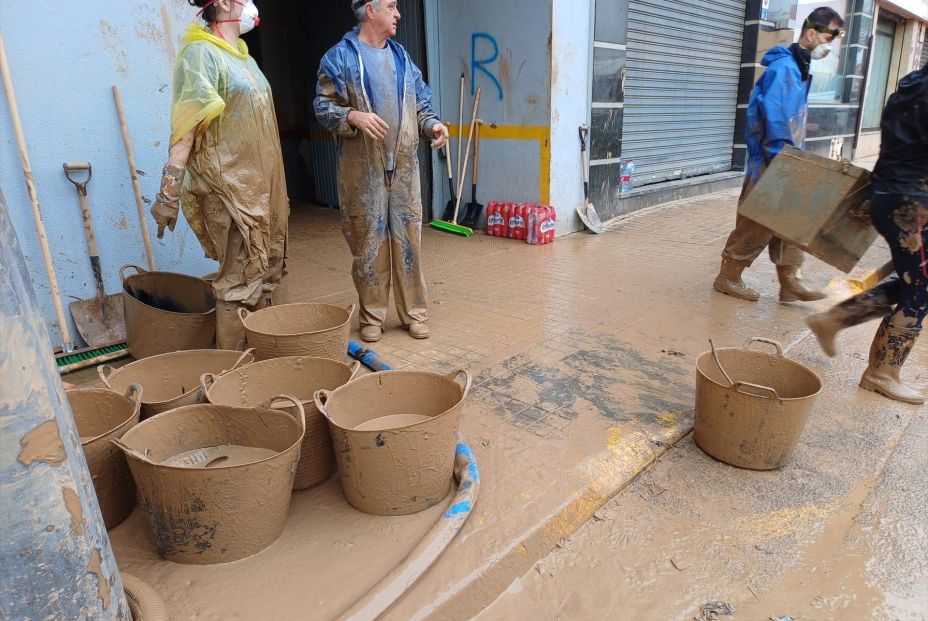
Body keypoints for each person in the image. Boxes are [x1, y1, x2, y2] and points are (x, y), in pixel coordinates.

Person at [151, 0, 288, 350]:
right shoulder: (200, 56)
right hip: (228, 192)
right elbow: (186, 130)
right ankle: (235, 378)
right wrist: (169, 192)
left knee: (264, 275)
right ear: (223, 2)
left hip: (262, 191)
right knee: (239, 283)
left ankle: (262, 363)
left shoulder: (243, 57)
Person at [314, 0, 448, 343]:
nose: (398, 14)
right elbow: (322, 105)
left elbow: (421, 105)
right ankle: (372, 316)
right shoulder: (340, 57)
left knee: (409, 241)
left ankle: (414, 313)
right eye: (391, 6)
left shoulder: (402, 58)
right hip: (362, 169)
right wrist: (352, 117)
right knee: (368, 241)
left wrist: (433, 126)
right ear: (370, 9)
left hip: (403, 167)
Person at [806, 64, 928, 405]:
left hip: (895, 195)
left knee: (914, 280)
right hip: (911, 204)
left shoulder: (912, 84)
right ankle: (881, 373)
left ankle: (834, 319)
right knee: (921, 286)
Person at [713, 7, 845, 302]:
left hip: (787, 157)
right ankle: (728, 276)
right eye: (829, 37)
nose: (831, 44)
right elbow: (772, 116)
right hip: (774, 159)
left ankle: (790, 282)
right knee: (758, 221)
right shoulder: (783, 69)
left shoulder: (798, 68)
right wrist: (782, 160)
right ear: (811, 33)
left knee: (793, 220)